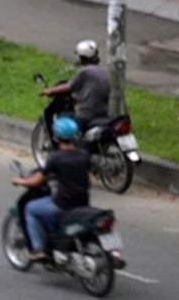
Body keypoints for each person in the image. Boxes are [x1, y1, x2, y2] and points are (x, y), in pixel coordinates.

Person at [12, 117, 91, 261]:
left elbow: (37, 181)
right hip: (82, 201)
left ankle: (38, 249)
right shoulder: (84, 155)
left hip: (63, 204)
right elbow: (87, 177)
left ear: (56, 137)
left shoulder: (56, 158)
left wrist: (20, 181)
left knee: (30, 208)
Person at [41, 39, 110, 133]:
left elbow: (69, 86)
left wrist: (50, 91)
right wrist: (77, 99)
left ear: (83, 57)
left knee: (67, 132)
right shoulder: (101, 71)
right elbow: (92, 91)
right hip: (103, 112)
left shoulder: (84, 72)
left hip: (87, 114)